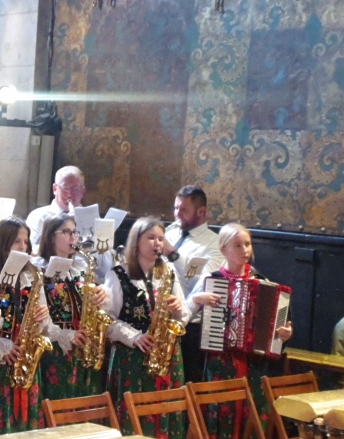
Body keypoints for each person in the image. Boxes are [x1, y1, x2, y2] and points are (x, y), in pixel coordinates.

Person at [186, 223, 292, 435]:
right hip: (221, 361)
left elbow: (279, 327)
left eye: (247, 244)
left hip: (254, 363)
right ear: (223, 249)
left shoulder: (262, 282)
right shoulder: (213, 280)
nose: (245, 250)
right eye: (237, 245)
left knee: (252, 413)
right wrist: (197, 299)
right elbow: (185, 313)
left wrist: (284, 334)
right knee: (223, 413)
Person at [101, 216, 190, 437]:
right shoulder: (118, 274)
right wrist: (134, 337)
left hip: (166, 356)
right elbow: (106, 319)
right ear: (136, 241)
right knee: (133, 418)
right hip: (132, 358)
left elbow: (183, 317)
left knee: (167, 412)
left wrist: (178, 308)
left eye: (161, 238)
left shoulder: (168, 272)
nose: (157, 243)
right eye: (151, 238)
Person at [0, 216, 53, 435]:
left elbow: (45, 325)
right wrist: (2, 348)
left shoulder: (32, 276)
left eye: (26, 242)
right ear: (3, 243)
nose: (23, 247)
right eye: (17, 242)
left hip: (25, 358)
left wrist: (43, 316)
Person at [32, 214, 106, 400]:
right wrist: (66, 335)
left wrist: (99, 294)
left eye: (75, 232)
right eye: (66, 232)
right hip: (55, 348)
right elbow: (41, 312)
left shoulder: (80, 266)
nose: (73, 237)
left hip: (83, 344)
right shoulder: (38, 269)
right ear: (51, 237)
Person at [162, 185, 224, 383]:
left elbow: (202, 281)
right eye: (175, 208)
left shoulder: (215, 243)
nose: (177, 214)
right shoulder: (170, 232)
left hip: (192, 325)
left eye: (183, 210)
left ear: (201, 212)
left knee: (187, 381)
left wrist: (172, 254)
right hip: (162, 317)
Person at [25, 165, 85, 250]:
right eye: (66, 188)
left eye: (76, 189)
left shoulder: (91, 218)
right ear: (55, 189)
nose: (70, 194)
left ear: (82, 191)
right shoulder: (38, 216)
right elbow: (30, 249)